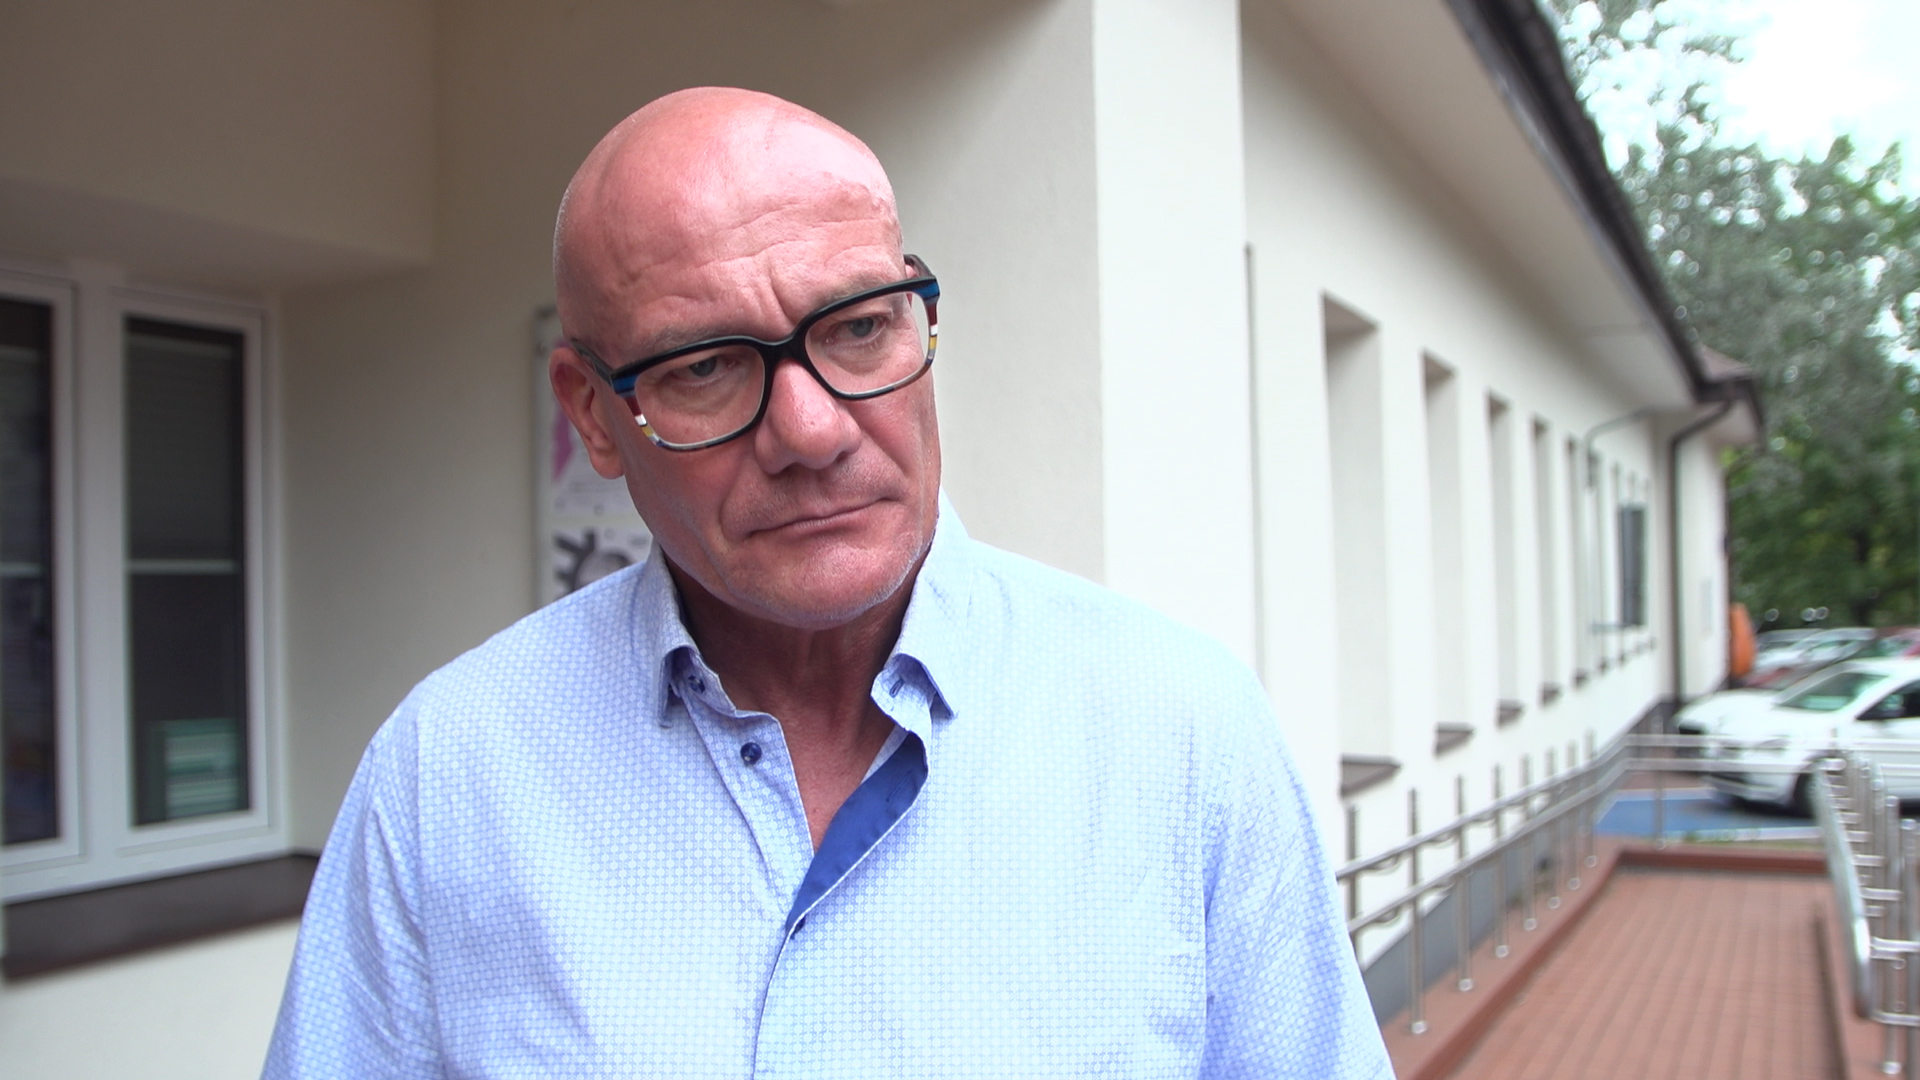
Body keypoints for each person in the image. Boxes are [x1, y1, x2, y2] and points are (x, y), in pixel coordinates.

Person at [262, 87, 1391, 1079]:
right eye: (706, 366)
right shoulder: (446, 780)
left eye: (857, 328)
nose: (811, 430)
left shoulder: (1184, 738)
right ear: (594, 415)